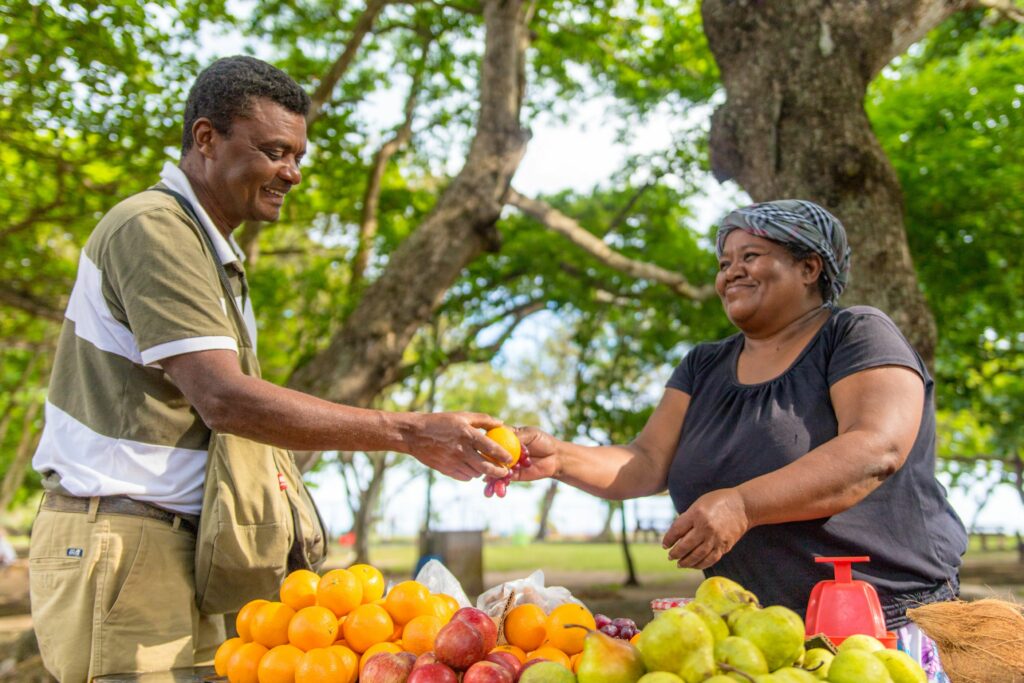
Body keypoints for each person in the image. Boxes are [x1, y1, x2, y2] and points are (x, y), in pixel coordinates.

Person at [28, 56, 514, 682]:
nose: (294, 172)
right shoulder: (154, 228)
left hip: (187, 551)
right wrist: (410, 432)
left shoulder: (211, 248)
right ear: (206, 138)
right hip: (125, 544)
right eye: (276, 151)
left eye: (297, 154)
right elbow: (225, 400)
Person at [509, 199, 966, 678]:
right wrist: (558, 457)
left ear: (810, 267)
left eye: (750, 256)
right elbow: (644, 461)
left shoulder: (857, 334)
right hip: (751, 640)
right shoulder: (703, 366)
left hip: (882, 628)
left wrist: (742, 505)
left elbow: (877, 447)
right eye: (724, 263)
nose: (731, 273)